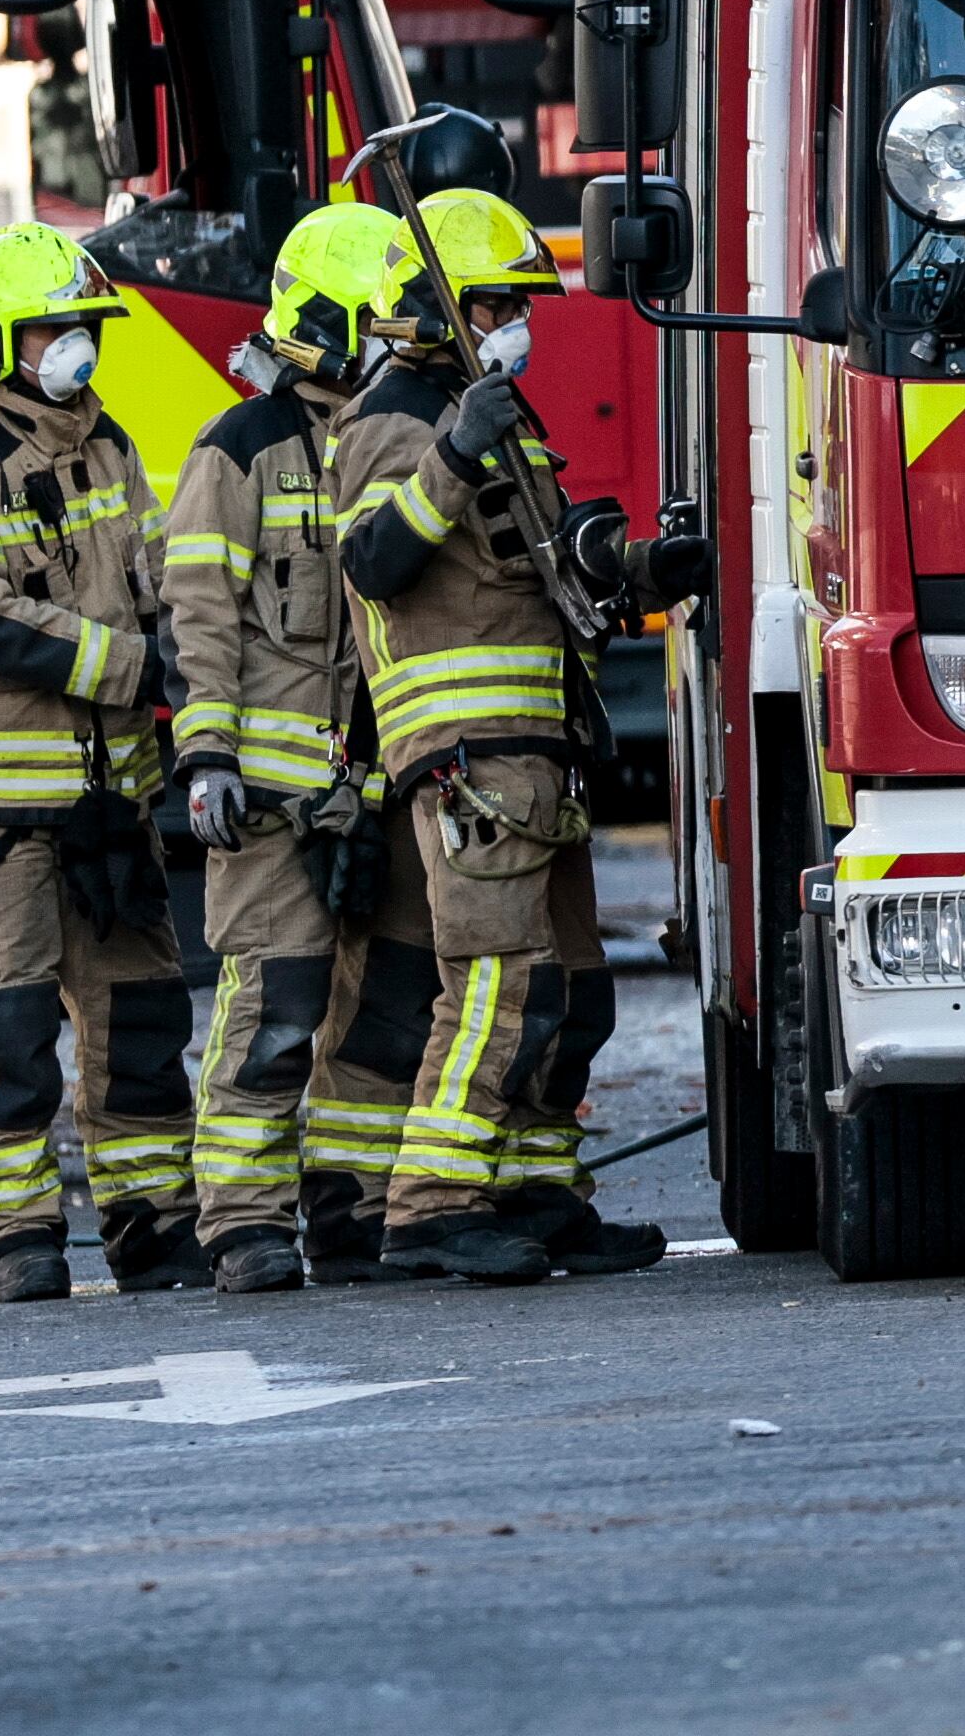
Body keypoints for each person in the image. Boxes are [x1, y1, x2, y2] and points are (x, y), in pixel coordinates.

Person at [332, 189, 660, 1284]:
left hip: (536, 748)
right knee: (493, 984)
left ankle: (534, 1188)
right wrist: (453, 456)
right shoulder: (393, 422)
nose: (517, 323)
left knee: (572, 988)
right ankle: (431, 1206)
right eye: (496, 304)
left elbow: (547, 561)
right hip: (468, 757)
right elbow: (375, 564)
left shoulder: (493, 414)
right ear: (435, 308)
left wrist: (635, 565)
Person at [0, 223, 202, 1302]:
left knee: (144, 1025)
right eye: (52, 331)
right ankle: (16, 1236)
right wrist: (132, 664)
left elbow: (152, 569)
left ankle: (154, 1222)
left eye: (83, 328)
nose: (76, 347)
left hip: (110, 805)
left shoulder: (105, 445)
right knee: (8, 1032)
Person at [162, 202, 405, 1294]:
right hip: (269, 799)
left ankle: (349, 1210)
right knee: (274, 1011)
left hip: (377, 789)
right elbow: (200, 612)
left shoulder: (388, 437)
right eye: (384, 323)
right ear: (328, 322)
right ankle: (243, 1225)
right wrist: (207, 754)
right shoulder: (240, 450)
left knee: (379, 1013)